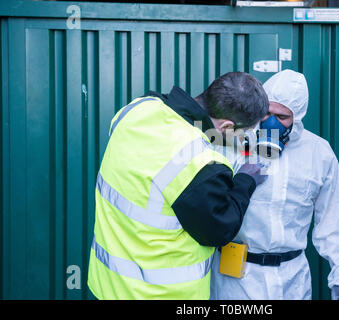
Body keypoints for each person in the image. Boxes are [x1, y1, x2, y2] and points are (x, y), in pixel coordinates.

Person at [88, 72, 269, 300]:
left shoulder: (139, 108)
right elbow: (220, 228)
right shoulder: (200, 164)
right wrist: (246, 179)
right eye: (243, 132)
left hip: (108, 287)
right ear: (226, 126)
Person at [210, 69, 339, 300]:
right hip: (235, 279)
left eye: (282, 117)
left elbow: (332, 223)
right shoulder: (232, 142)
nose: (271, 122)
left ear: (297, 117)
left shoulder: (319, 153)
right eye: (266, 112)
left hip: (292, 279)